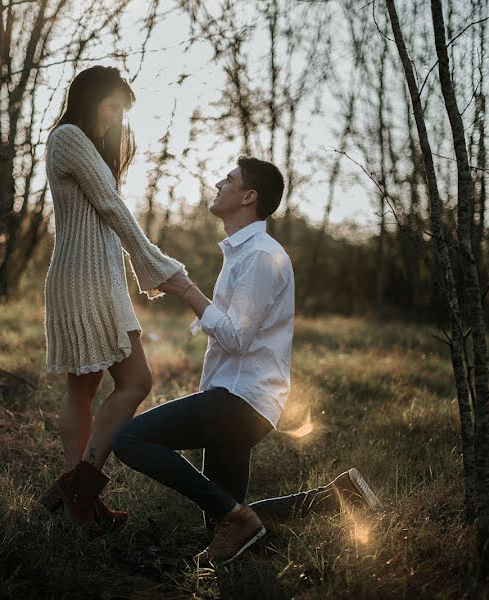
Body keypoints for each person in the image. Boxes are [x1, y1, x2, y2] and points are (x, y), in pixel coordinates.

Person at [113, 157, 380, 564]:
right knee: (226, 524)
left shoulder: (259, 256)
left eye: (229, 179)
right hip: (236, 397)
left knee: (130, 439)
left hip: (241, 400)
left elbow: (237, 337)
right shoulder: (244, 253)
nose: (218, 183)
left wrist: (188, 291)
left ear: (248, 196)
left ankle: (240, 519)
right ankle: (338, 497)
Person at [38, 66, 185, 533]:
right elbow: (110, 207)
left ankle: (80, 499)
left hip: (100, 280)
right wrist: (153, 260)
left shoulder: (88, 147)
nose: (119, 118)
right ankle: (81, 489)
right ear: (90, 98)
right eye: (114, 106)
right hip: (84, 281)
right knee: (134, 380)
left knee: (86, 388)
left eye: (124, 110)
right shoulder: (68, 137)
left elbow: (105, 210)